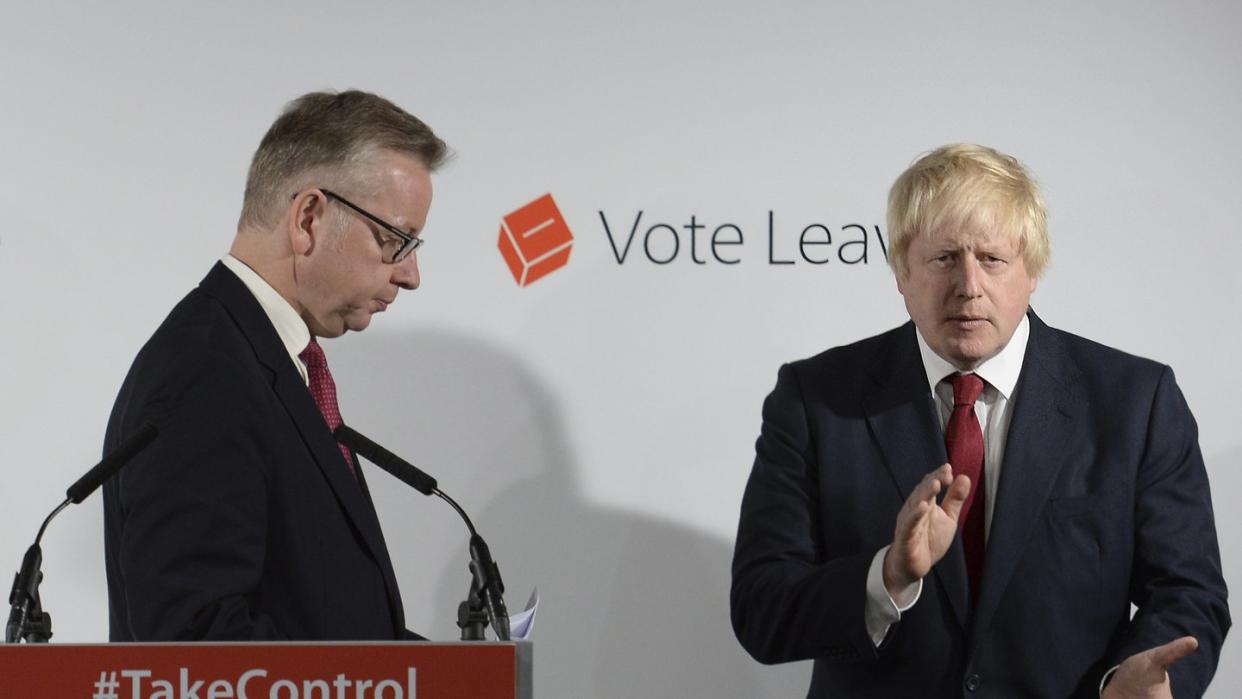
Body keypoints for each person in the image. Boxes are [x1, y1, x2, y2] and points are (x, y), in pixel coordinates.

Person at [730, 144, 1230, 697]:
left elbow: (1189, 592)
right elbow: (762, 607)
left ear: (1032, 270)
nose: (969, 286)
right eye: (944, 258)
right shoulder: (816, 400)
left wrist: (1133, 682)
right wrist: (888, 577)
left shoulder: (1137, 403)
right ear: (901, 270)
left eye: (992, 259)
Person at [102, 90, 447, 641]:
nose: (410, 275)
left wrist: (451, 678)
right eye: (396, 241)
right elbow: (192, 642)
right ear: (309, 218)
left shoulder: (257, 356)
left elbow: (327, 618)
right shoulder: (206, 374)